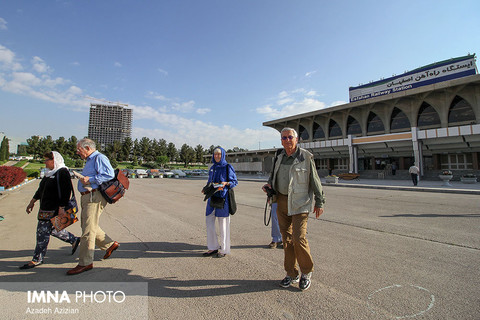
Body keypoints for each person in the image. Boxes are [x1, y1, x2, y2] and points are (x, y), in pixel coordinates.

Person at [263, 127, 325, 291]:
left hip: (300, 203)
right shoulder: (279, 156)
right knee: (287, 240)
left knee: (298, 238)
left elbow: (315, 180)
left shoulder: (305, 156)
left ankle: (306, 272)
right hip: (281, 201)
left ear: (296, 139)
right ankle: (291, 273)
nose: (287, 140)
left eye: (290, 137)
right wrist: (269, 187)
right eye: (284, 138)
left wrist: (320, 201)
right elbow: (273, 176)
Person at [67, 138, 119, 275]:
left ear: (88, 148)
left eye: (79, 149)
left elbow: (109, 174)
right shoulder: (91, 160)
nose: (78, 152)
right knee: (88, 225)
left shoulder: (99, 158)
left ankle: (85, 262)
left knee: (87, 230)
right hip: (87, 196)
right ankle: (109, 244)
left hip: (94, 196)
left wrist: (90, 179)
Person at [20, 151, 80, 269]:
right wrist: (32, 202)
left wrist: (62, 208)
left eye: (47, 160)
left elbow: (66, 191)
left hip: (55, 209)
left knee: (42, 232)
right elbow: (41, 190)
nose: (45, 162)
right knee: (51, 230)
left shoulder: (62, 172)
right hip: (45, 208)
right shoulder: (48, 173)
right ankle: (74, 239)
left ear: (54, 160)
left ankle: (37, 259)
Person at [201, 147, 238, 258]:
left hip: (223, 199)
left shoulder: (227, 167)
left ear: (223, 155)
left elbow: (234, 181)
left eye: (219, 154)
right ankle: (213, 247)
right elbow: (209, 182)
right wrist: (205, 188)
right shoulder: (213, 168)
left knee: (223, 224)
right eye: (215, 154)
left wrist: (226, 183)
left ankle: (224, 249)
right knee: (209, 222)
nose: (217, 156)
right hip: (212, 198)